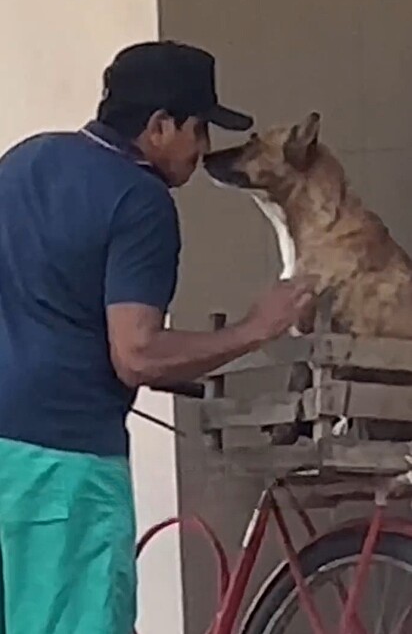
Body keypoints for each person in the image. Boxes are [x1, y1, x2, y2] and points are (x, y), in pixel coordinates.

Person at [0, 40, 313, 633]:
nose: (203, 151)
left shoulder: (24, 161)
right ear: (160, 126)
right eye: (198, 130)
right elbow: (138, 353)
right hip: (65, 468)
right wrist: (257, 327)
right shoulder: (139, 200)